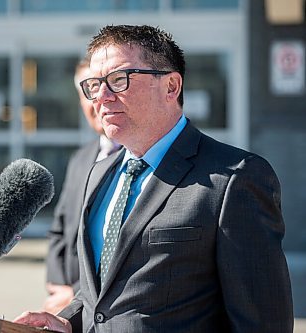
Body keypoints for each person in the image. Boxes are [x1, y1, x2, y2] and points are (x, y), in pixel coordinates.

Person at [15, 25, 293, 332]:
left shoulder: (235, 179)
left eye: (119, 80)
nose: (102, 97)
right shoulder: (99, 173)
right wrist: (67, 321)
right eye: (93, 85)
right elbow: (103, 296)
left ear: (171, 86)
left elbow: (263, 323)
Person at [43, 57, 120, 315]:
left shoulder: (139, 161)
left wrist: (75, 294)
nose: (97, 100)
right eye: (89, 91)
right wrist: (58, 288)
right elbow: (59, 231)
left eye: (107, 87)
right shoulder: (81, 158)